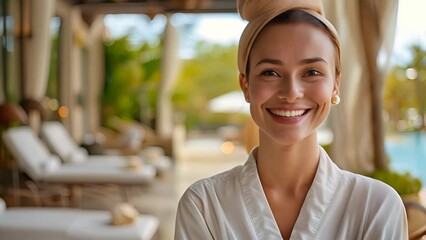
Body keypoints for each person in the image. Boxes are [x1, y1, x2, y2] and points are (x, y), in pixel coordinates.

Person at [174, 0, 408, 239]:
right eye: (270, 73)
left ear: (336, 84)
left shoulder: (376, 206)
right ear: (245, 85)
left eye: (312, 72)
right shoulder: (204, 205)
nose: (291, 92)